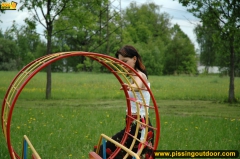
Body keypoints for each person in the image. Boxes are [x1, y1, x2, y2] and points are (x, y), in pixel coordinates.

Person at [97, 45, 154, 159]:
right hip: (132, 123)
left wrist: (129, 86)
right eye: (120, 62)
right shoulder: (132, 76)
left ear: (134, 59)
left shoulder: (139, 75)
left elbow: (137, 85)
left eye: (125, 61)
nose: (122, 64)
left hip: (140, 126)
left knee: (107, 150)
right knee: (122, 153)